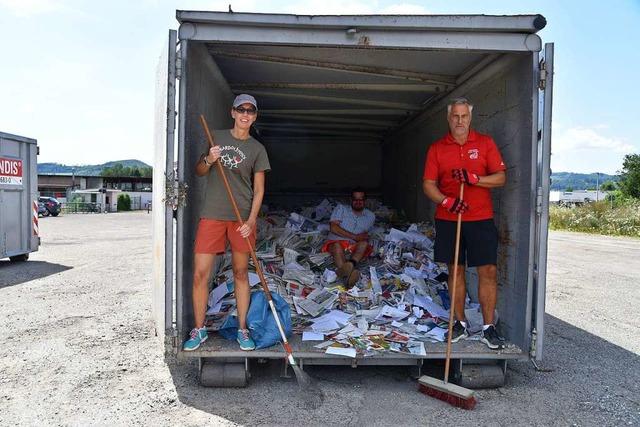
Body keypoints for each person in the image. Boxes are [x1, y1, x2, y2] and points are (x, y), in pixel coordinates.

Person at [183, 94, 271, 352]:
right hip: (212, 215)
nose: (245, 114)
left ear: (255, 116)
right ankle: (199, 330)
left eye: (250, 111)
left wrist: (251, 221)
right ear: (232, 112)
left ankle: (243, 329)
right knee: (201, 274)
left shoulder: (257, 149)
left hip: (241, 218)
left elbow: (258, 191)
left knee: (241, 273)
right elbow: (198, 171)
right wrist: (209, 159)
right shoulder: (216, 137)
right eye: (241, 109)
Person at [422, 97, 507, 350]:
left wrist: (474, 178)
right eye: (455, 116)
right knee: (455, 270)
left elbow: (500, 178)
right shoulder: (437, 148)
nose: (460, 121)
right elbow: (428, 185)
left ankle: (488, 327)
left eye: (464, 116)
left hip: (480, 218)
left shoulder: (485, 143)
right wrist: (447, 201)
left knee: (487, 271)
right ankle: (458, 322)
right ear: (449, 119)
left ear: (471, 118)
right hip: (450, 218)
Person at [321, 187, 375, 288]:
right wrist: (354, 236)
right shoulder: (341, 209)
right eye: (355, 199)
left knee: (364, 244)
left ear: (365, 201)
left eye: (361, 199)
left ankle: (350, 264)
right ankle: (346, 277)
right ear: (351, 200)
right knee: (337, 245)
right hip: (336, 241)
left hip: (354, 245)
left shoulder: (370, 216)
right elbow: (333, 227)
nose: (358, 202)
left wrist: (359, 239)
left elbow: (365, 235)